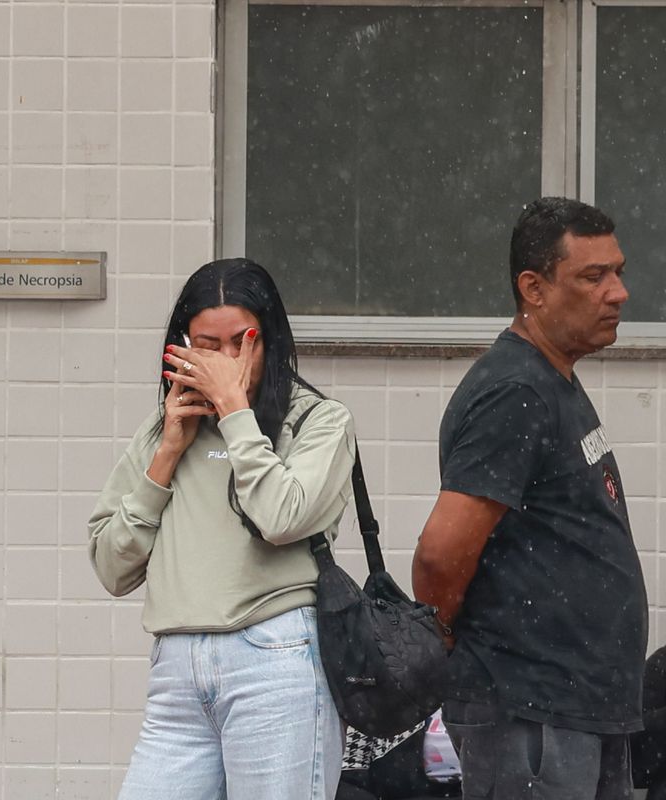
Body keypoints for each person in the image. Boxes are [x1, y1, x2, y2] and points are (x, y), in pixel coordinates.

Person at [88, 258, 355, 800]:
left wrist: (236, 413)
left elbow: (282, 518)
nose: (226, 359)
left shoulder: (319, 421)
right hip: (176, 673)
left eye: (242, 341)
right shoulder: (165, 429)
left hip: (275, 660)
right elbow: (112, 568)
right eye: (208, 344)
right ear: (182, 346)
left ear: (269, 340)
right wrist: (166, 453)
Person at [412, 197, 645, 800]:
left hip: (575, 709)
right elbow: (439, 556)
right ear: (533, 289)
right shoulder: (514, 390)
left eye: (617, 271)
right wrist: (457, 655)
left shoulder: (551, 377)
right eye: (593, 277)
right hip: (530, 713)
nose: (617, 293)